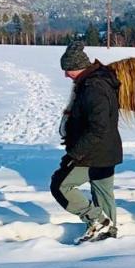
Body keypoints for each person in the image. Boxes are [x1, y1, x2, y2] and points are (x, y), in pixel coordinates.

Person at [50, 40, 123, 244]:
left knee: (60, 186)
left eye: (68, 70)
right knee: (103, 192)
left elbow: (98, 128)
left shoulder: (93, 88)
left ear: (78, 67)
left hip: (93, 154)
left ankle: (97, 220)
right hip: (107, 151)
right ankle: (107, 237)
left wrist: (74, 154)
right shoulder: (97, 82)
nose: (66, 75)